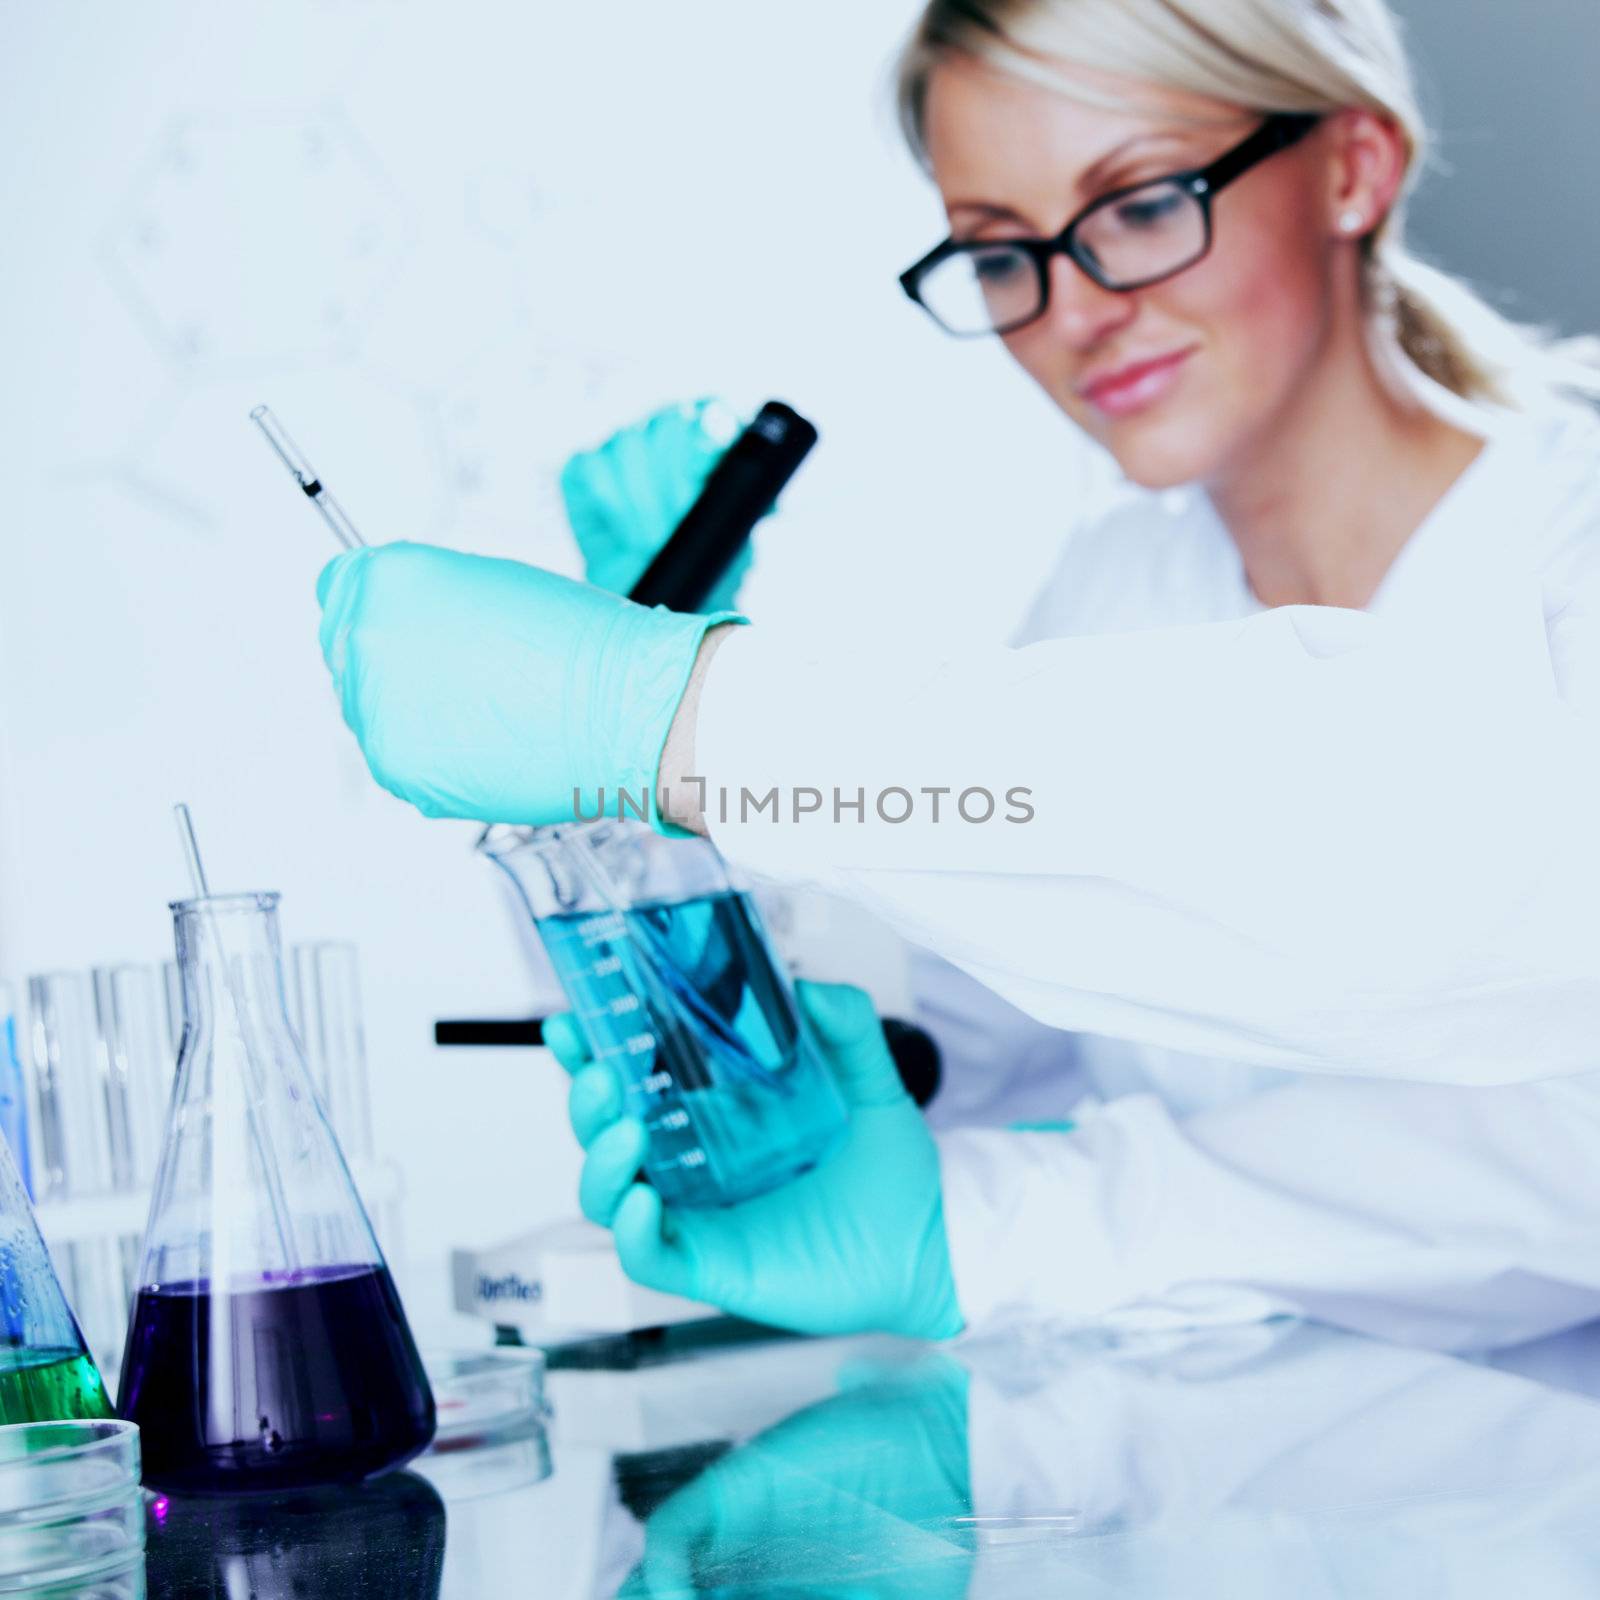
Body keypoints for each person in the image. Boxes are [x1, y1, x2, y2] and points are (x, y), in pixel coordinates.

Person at [315, 0, 1600, 1347]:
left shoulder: (1568, 551)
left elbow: (1454, 898)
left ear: (1355, 165)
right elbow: (962, 1066)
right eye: (1001, 254)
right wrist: (652, 833)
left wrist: (686, 723)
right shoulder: (1117, 596)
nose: (1082, 308)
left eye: (1144, 205)